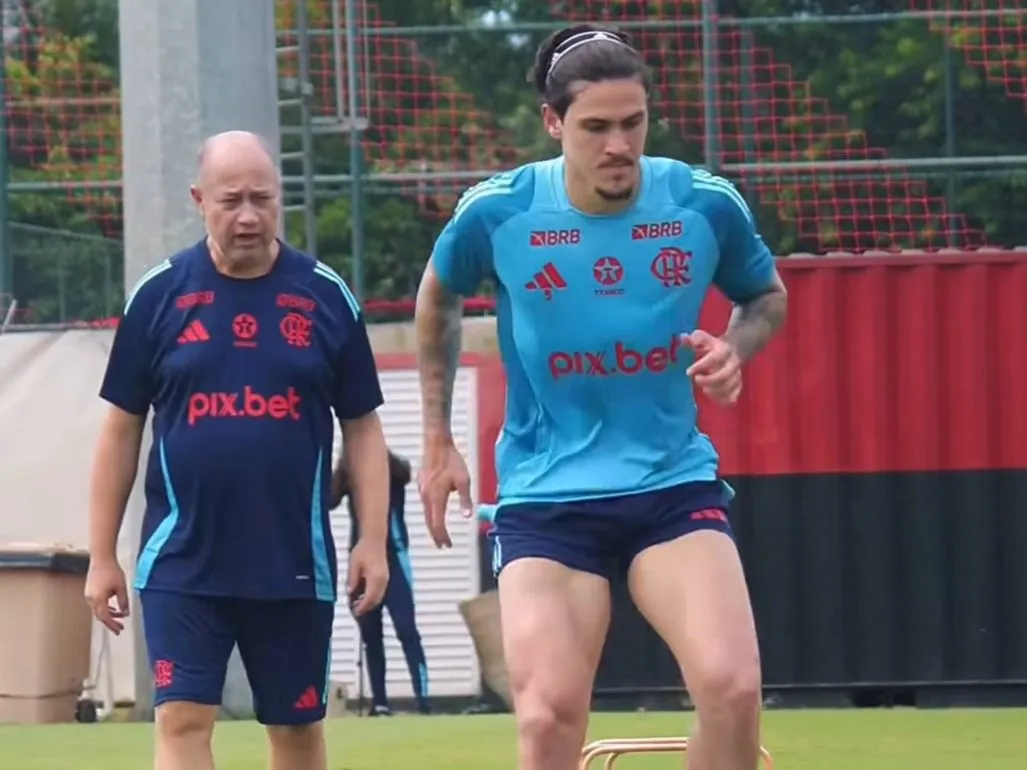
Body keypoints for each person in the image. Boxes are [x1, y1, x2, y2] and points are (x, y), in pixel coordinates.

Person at [414, 24, 788, 770]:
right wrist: (437, 440)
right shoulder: (500, 211)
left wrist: (732, 347)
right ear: (553, 124)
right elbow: (437, 304)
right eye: (595, 127)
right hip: (548, 497)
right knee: (549, 715)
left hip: (669, 485)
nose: (618, 145)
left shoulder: (701, 203)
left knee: (733, 688)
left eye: (632, 124)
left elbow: (764, 298)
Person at [84, 130, 391, 770]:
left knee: (298, 727)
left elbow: (362, 427)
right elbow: (121, 429)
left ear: (281, 200)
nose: (248, 215)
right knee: (182, 719)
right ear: (200, 200)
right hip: (182, 557)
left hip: (292, 559)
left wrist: (372, 540)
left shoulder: (325, 295)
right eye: (231, 200)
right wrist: (101, 554)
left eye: (262, 198)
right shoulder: (159, 296)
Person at [330, 449, 431, 716]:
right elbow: (328, 500)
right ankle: (380, 703)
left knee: (406, 630)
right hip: (362, 563)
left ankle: (423, 700)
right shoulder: (350, 480)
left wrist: (375, 454)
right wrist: (344, 462)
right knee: (371, 637)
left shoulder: (393, 475)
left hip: (395, 559)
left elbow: (406, 472)